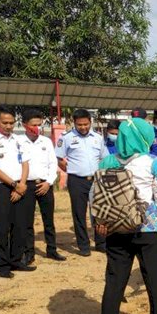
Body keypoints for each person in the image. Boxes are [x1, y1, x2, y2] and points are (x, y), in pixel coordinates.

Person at [93, 117, 157, 314]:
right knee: (155, 283)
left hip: (116, 229)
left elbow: (95, 195)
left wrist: (100, 221)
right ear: (144, 137)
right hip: (148, 229)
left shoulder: (107, 161)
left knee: (114, 284)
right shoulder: (152, 162)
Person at [0, 105, 36, 278]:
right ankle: (2, 265)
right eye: (5, 122)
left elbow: (25, 163)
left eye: (12, 123)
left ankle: (15, 260)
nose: (9, 126)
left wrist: (21, 184)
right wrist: (14, 185)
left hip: (20, 186)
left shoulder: (18, 140)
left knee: (20, 226)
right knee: (1, 228)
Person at [56, 108, 107, 256]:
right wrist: (70, 169)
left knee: (98, 212)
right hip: (76, 180)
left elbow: (104, 158)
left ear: (90, 122)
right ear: (74, 123)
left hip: (97, 180)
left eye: (86, 124)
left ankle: (101, 243)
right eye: (79, 125)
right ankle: (83, 246)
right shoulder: (66, 138)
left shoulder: (98, 137)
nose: (83, 127)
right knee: (79, 213)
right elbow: (59, 159)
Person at [18, 108, 65, 263]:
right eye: (33, 124)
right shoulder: (18, 142)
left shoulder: (45, 141)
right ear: (25, 125)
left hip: (45, 184)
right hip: (27, 185)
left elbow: (53, 164)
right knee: (27, 221)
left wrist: (48, 182)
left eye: (39, 124)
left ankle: (51, 250)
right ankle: (29, 253)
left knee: (49, 220)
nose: (37, 128)